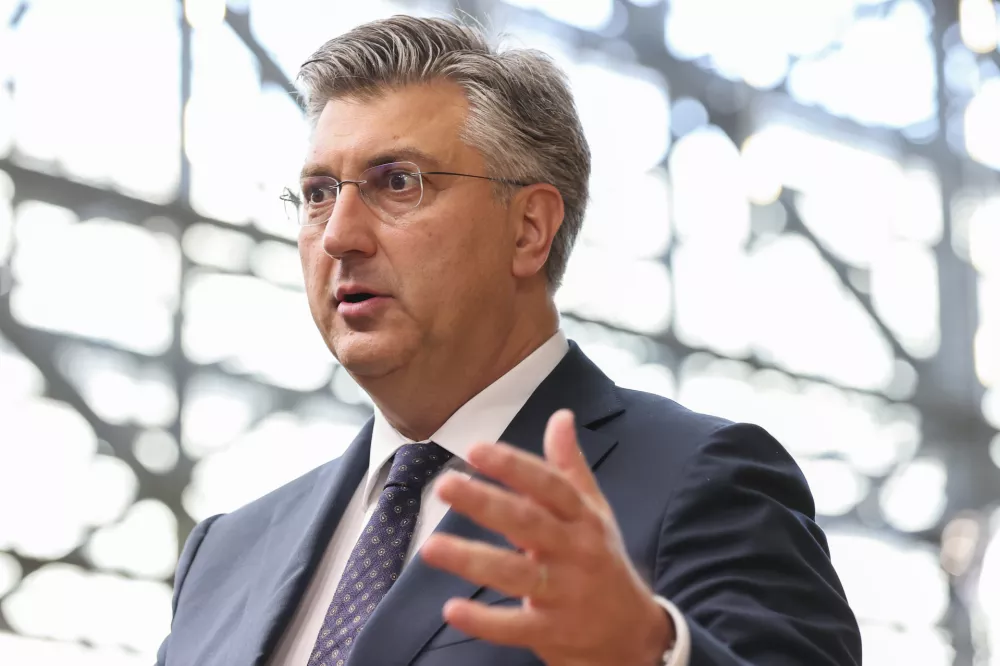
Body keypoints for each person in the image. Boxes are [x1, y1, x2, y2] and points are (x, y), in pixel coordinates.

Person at [155, 15, 861, 666]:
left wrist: (651, 652)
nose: (338, 234)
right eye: (318, 193)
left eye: (397, 182)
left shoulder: (699, 480)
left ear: (528, 229)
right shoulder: (224, 557)